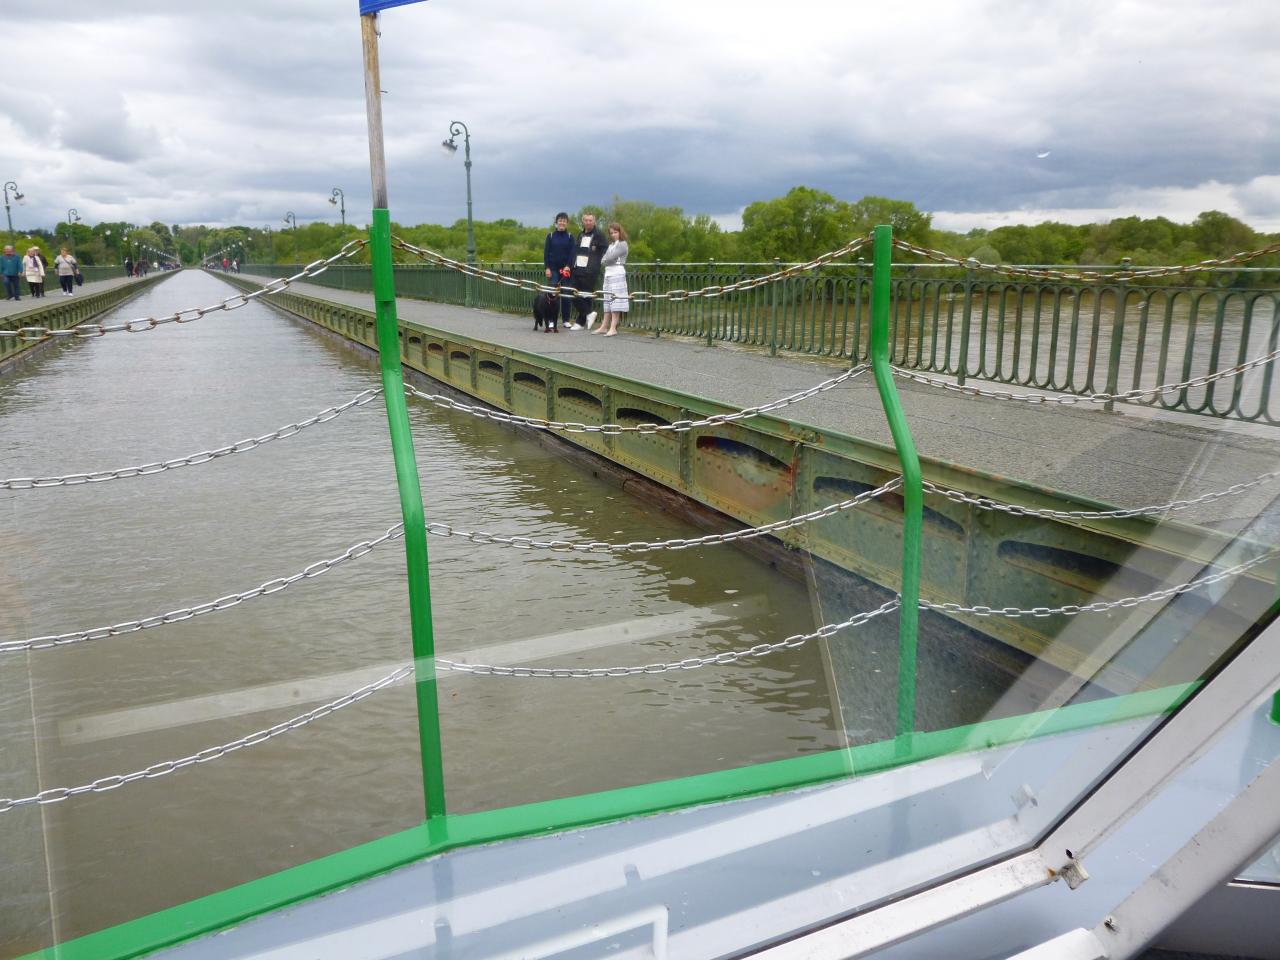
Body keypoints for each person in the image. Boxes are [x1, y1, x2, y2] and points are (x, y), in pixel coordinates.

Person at [569, 212, 608, 330]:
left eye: (590, 220)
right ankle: (589, 313)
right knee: (573, 293)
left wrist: (598, 262)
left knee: (586, 295)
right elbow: (576, 251)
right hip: (577, 268)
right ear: (583, 221)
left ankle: (580, 322)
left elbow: (606, 250)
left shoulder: (599, 235)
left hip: (590, 270)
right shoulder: (580, 234)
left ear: (594, 221)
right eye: (586, 220)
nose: (588, 222)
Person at [591, 222, 630, 338]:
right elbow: (604, 259)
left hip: (617, 273)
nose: (613, 235)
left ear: (620, 232)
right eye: (611, 233)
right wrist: (606, 259)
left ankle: (613, 328)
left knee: (615, 301)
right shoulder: (611, 245)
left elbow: (610, 258)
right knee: (607, 300)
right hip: (608, 274)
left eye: (615, 232)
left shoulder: (623, 244)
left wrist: (607, 259)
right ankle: (604, 326)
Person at [542, 212, 574, 332]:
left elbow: (572, 254)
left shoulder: (570, 236)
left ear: (567, 223)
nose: (562, 222)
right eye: (560, 220)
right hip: (553, 269)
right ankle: (551, 320)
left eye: (564, 221)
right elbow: (546, 253)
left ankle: (566, 320)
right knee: (552, 295)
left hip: (565, 270)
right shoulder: (550, 236)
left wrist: (568, 266)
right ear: (556, 223)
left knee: (566, 293)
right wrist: (547, 268)